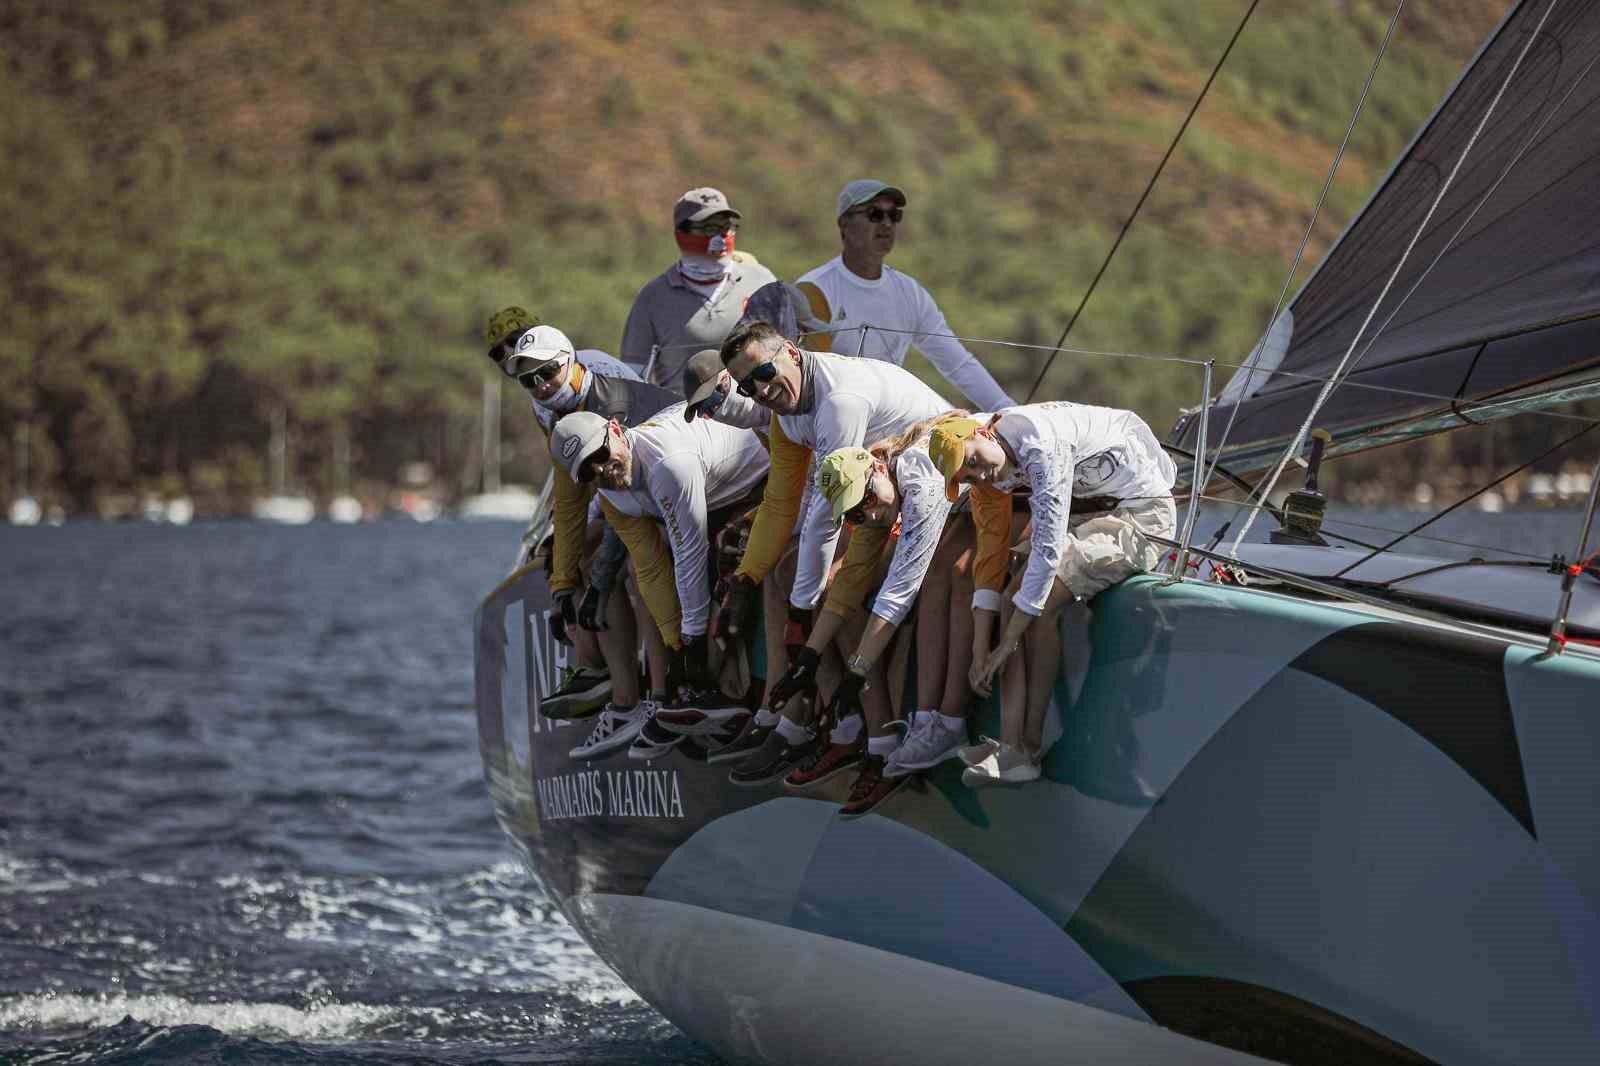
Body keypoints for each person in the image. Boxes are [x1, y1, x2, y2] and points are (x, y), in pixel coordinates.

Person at [712, 320, 954, 783]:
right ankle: (789, 718)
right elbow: (781, 502)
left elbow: (826, 515)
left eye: (763, 372)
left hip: (927, 488)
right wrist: (746, 577)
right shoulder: (786, 409)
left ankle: (872, 739)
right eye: (746, 386)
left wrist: (802, 618)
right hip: (874, 489)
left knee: (824, 589)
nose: (759, 390)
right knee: (783, 574)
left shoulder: (840, 401)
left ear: (790, 352)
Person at [931, 401, 1177, 785]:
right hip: (1086, 513)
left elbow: (1046, 552)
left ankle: (1026, 749)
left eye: (975, 463)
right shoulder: (987, 471)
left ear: (981, 433)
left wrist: (1007, 642)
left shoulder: (1041, 443)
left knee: (1039, 604)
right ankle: (1010, 745)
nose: (979, 477)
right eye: (967, 477)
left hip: (1140, 515)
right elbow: (990, 553)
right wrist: (983, 647)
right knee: (1015, 597)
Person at [770, 420, 982, 816]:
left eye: (866, 500)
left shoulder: (918, 483)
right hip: (971, 500)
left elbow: (900, 592)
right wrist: (807, 659)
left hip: (1002, 492)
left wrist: (856, 671)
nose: (867, 513)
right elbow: (847, 588)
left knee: (938, 583)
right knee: (838, 589)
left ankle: (934, 725)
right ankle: (880, 738)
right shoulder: (873, 501)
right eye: (852, 513)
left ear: (879, 470)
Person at [550, 408, 769, 761]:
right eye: (588, 471)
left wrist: (692, 646)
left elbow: (690, 553)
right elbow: (650, 567)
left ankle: (729, 696)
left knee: (723, 568)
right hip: (713, 499)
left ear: (618, 432)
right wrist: (675, 644)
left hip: (758, 482)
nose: (602, 470)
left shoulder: (668, 463)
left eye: (601, 456)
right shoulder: (611, 492)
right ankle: (686, 695)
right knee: (665, 589)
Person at [494, 319, 681, 729]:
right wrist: (561, 588)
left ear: (570, 361)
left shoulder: (607, 405)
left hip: (677, 489)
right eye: (529, 380)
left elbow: (619, 500)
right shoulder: (561, 412)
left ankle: (656, 697)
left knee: (628, 570)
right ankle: (604, 679)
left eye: (547, 371)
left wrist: (596, 583)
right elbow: (569, 505)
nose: (541, 384)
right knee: (573, 556)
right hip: (637, 497)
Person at [796, 180, 1014, 413]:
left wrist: (1008, 410)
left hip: (892, 413)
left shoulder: (910, 293)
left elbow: (958, 364)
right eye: (875, 214)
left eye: (894, 215)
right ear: (844, 223)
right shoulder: (813, 290)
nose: (887, 223)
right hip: (835, 416)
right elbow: (804, 380)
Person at [620, 188, 777, 389]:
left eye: (726, 228)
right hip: (685, 416)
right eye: (709, 229)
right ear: (681, 233)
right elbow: (632, 377)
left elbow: (788, 351)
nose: (721, 239)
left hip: (755, 415)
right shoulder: (653, 297)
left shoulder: (761, 280)